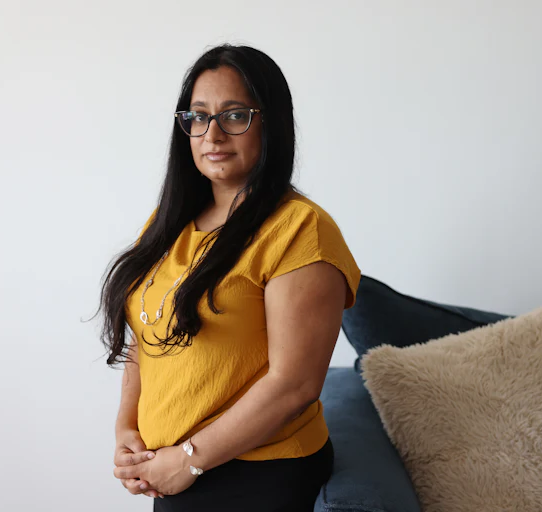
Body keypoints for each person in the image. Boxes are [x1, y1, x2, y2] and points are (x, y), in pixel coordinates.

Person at [97, 44, 361, 511]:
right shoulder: (168, 224)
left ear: (271, 123)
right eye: (198, 117)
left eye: (235, 115)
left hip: (258, 476)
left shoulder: (300, 229)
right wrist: (127, 429)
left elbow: (294, 385)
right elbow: (147, 334)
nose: (212, 134)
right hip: (175, 472)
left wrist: (189, 460)